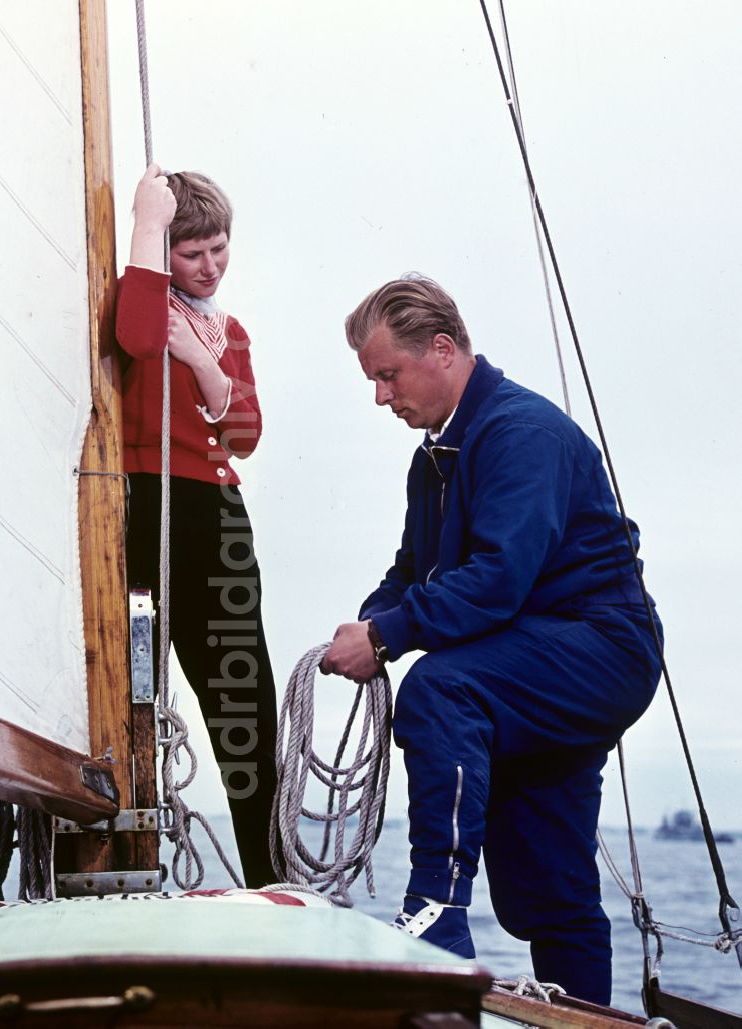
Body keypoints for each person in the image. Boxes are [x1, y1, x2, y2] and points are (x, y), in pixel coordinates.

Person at [321, 273, 662, 1004]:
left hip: (599, 646)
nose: (381, 395)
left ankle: (436, 917)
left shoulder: (519, 433)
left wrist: (385, 639)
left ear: (441, 350)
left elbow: (500, 576)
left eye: (388, 374)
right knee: (545, 884)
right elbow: (415, 570)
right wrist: (366, 625)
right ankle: (587, 1018)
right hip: (535, 654)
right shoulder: (436, 456)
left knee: (442, 687)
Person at [115, 164, 278, 888]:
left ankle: (270, 879)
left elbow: (245, 431)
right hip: (144, 509)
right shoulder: (142, 299)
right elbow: (138, 338)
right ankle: (125, 861)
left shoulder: (226, 329)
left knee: (245, 705)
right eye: (191, 253)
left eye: (219, 249)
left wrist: (204, 361)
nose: (209, 267)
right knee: (130, 695)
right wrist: (147, 224)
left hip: (216, 521)